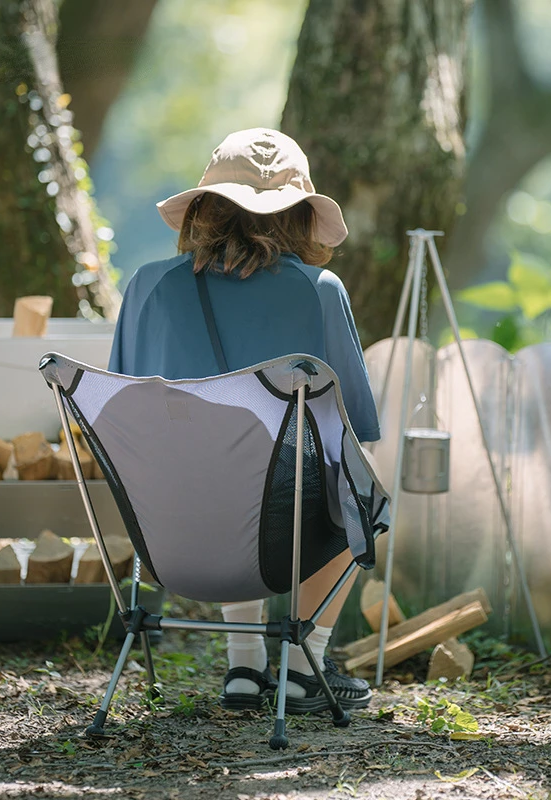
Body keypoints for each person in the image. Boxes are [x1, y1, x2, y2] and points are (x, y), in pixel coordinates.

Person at [108, 128, 380, 714]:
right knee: (360, 483)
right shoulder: (319, 292)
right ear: (299, 214)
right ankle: (306, 663)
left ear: (205, 208)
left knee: (216, 461)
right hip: (278, 533)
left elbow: (118, 413)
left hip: (166, 532)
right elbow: (356, 434)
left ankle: (243, 665)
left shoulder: (147, 286)